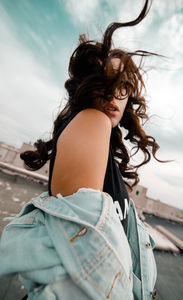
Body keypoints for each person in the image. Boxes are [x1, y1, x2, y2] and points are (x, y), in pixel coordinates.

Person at [0, 0, 160, 299]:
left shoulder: (100, 147)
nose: (114, 93)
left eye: (123, 85)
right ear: (87, 86)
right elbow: (89, 271)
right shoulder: (92, 122)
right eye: (104, 81)